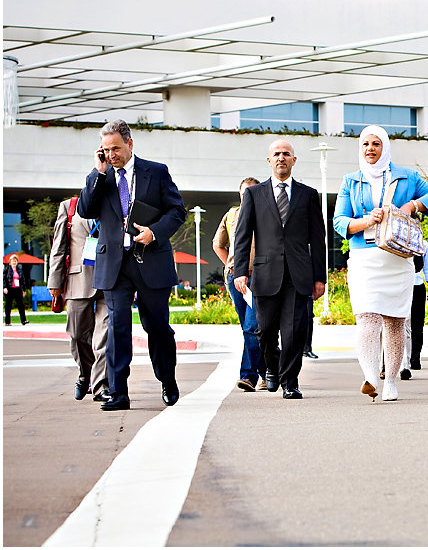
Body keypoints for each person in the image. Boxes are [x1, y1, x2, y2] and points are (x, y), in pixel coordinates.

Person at [77, 119, 187, 411]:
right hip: (115, 265)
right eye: (106, 150)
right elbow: (85, 209)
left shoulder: (157, 172)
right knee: (117, 328)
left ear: (130, 144)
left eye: (116, 148)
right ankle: (118, 392)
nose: (111, 154)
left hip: (150, 260)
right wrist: (98, 173)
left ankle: (167, 380)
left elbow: (177, 211)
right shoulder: (102, 176)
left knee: (158, 328)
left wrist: (155, 232)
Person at [333, 125, 428, 402]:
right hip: (363, 257)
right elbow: (339, 221)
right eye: (365, 144)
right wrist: (366, 220)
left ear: (385, 147)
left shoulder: (407, 176)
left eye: (376, 144)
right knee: (367, 318)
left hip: (398, 258)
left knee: (395, 323)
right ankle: (370, 376)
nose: (370, 149)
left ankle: (390, 382)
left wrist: (411, 207)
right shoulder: (350, 180)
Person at [233, 139, 326, 400]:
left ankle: (290, 381)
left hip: (298, 275)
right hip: (264, 274)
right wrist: (241, 271)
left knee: (294, 332)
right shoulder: (254, 194)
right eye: (276, 154)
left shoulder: (308, 195)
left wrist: (320, 277)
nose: (281, 158)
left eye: (286, 154)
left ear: (294, 160)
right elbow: (242, 236)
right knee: (264, 330)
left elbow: (318, 240)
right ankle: (271, 368)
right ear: (269, 160)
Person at [49, 197, 110, 402]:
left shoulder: (115, 203)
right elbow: (59, 247)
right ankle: (86, 375)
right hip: (78, 279)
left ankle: (101, 385)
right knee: (77, 335)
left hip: (110, 278)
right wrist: (55, 282)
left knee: (104, 337)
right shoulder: (69, 207)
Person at [212, 177, 266, 392]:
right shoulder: (231, 215)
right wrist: (233, 268)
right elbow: (218, 244)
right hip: (237, 279)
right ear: (240, 194)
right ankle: (262, 372)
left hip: (260, 277)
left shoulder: (266, 214)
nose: (248, 196)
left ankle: (252, 375)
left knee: (252, 327)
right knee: (248, 327)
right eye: (245, 193)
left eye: (253, 192)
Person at [409, 238, 428, 370]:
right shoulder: (398, 241)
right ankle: (402, 358)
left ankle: (415, 358)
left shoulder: (423, 243)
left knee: (417, 325)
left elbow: (427, 268)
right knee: (401, 324)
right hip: (401, 285)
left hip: (418, 286)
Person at [3, 255, 30, 326]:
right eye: (12, 261)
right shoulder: (7, 269)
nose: (14, 262)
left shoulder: (19, 270)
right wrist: (4, 287)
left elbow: (23, 280)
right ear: (10, 262)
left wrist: (24, 290)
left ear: (17, 262)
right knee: (8, 305)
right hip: (9, 289)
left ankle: (23, 320)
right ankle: (8, 321)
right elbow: (4, 279)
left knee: (21, 305)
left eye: (15, 261)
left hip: (18, 289)